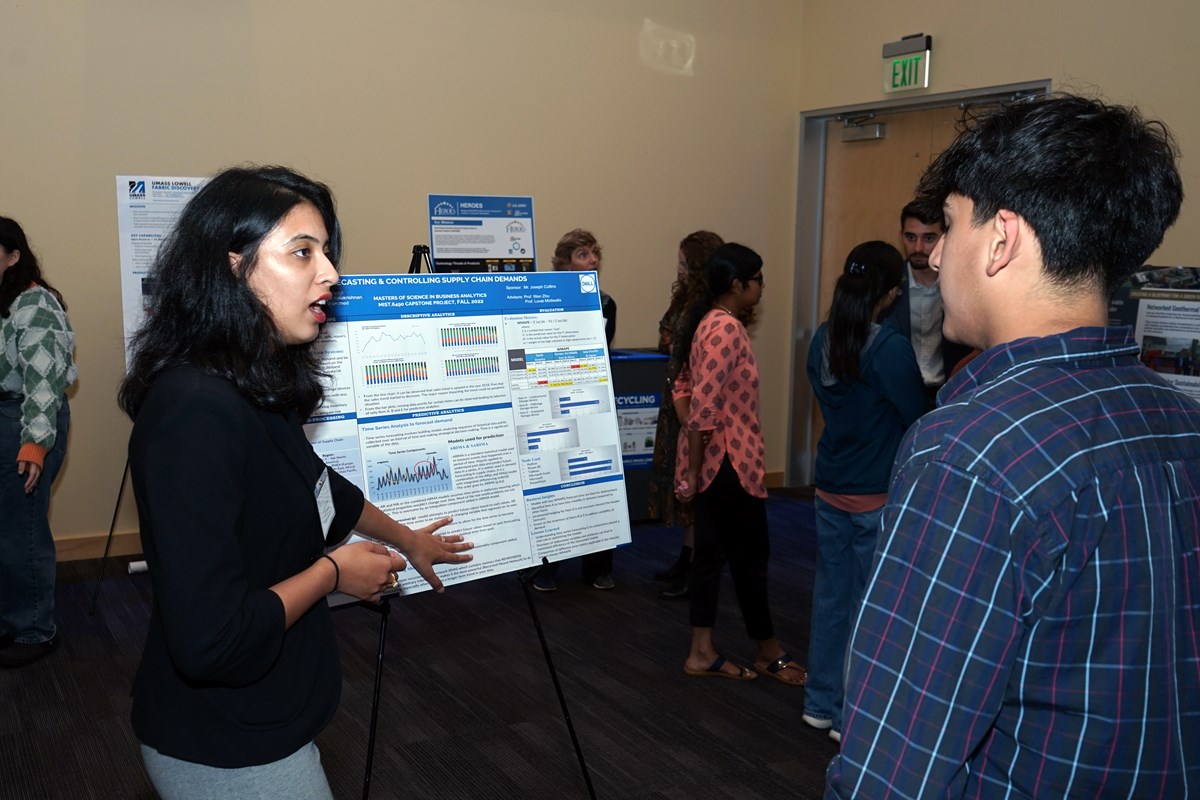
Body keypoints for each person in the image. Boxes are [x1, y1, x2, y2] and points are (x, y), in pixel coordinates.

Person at [826, 94, 1199, 797]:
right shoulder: (1179, 423)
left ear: (1002, 239)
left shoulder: (970, 453)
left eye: (951, 224)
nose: (934, 252)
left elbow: (897, 762)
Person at [117, 165, 474, 798]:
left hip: (272, 715)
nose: (330, 273)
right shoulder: (194, 412)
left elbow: (316, 487)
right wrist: (334, 574)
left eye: (328, 252)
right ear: (233, 266)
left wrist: (408, 540)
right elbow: (212, 641)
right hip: (226, 745)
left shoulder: (253, 386)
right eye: (302, 252)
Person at [803, 241, 926, 742]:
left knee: (830, 598)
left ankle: (819, 703)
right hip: (875, 496)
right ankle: (852, 715)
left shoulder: (821, 340)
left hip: (829, 487)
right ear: (893, 292)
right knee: (868, 604)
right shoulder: (889, 347)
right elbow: (917, 414)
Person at [675, 243, 804, 684]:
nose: (762, 286)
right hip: (728, 463)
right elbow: (703, 409)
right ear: (738, 285)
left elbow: (686, 388)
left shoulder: (708, 322)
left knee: (709, 556)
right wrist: (692, 472)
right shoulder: (724, 329)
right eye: (759, 278)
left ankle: (701, 651)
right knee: (751, 557)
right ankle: (768, 651)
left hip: (719, 462)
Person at [0, 217, 75, 669]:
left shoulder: (36, 305)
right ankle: (10, 621)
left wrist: (34, 446)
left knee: (20, 531)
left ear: (12, 255)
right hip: (5, 414)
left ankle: (33, 630)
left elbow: (43, 384)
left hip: (26, 419)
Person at [536, 228, 616, 591]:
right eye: (584, 255)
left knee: (596, 483)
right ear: (565, 262)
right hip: (552, 403)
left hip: (592, 402)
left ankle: (599, 567)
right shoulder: (542, 297)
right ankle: (546, 567)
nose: (593, 261)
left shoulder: (605, 301)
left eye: (594, 254)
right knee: (555, 488)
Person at [647, 230, 724, 600]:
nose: (677, 269)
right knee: (681, 484)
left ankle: (698, 566)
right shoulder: (684, 298)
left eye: (682, 263)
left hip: (695, 401)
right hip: (674, 397)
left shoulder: (710, 306)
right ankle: (686, 555)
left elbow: (685, 345)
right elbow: (665, 332)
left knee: (699, 484)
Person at [881, 201, 971, 406]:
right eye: (910, 237)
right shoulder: (886, 286)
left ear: (944, 238)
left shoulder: (961, 286)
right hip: (896, 398)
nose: (918, 248)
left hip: (950, 394)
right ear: (901, 235)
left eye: (928, 238)